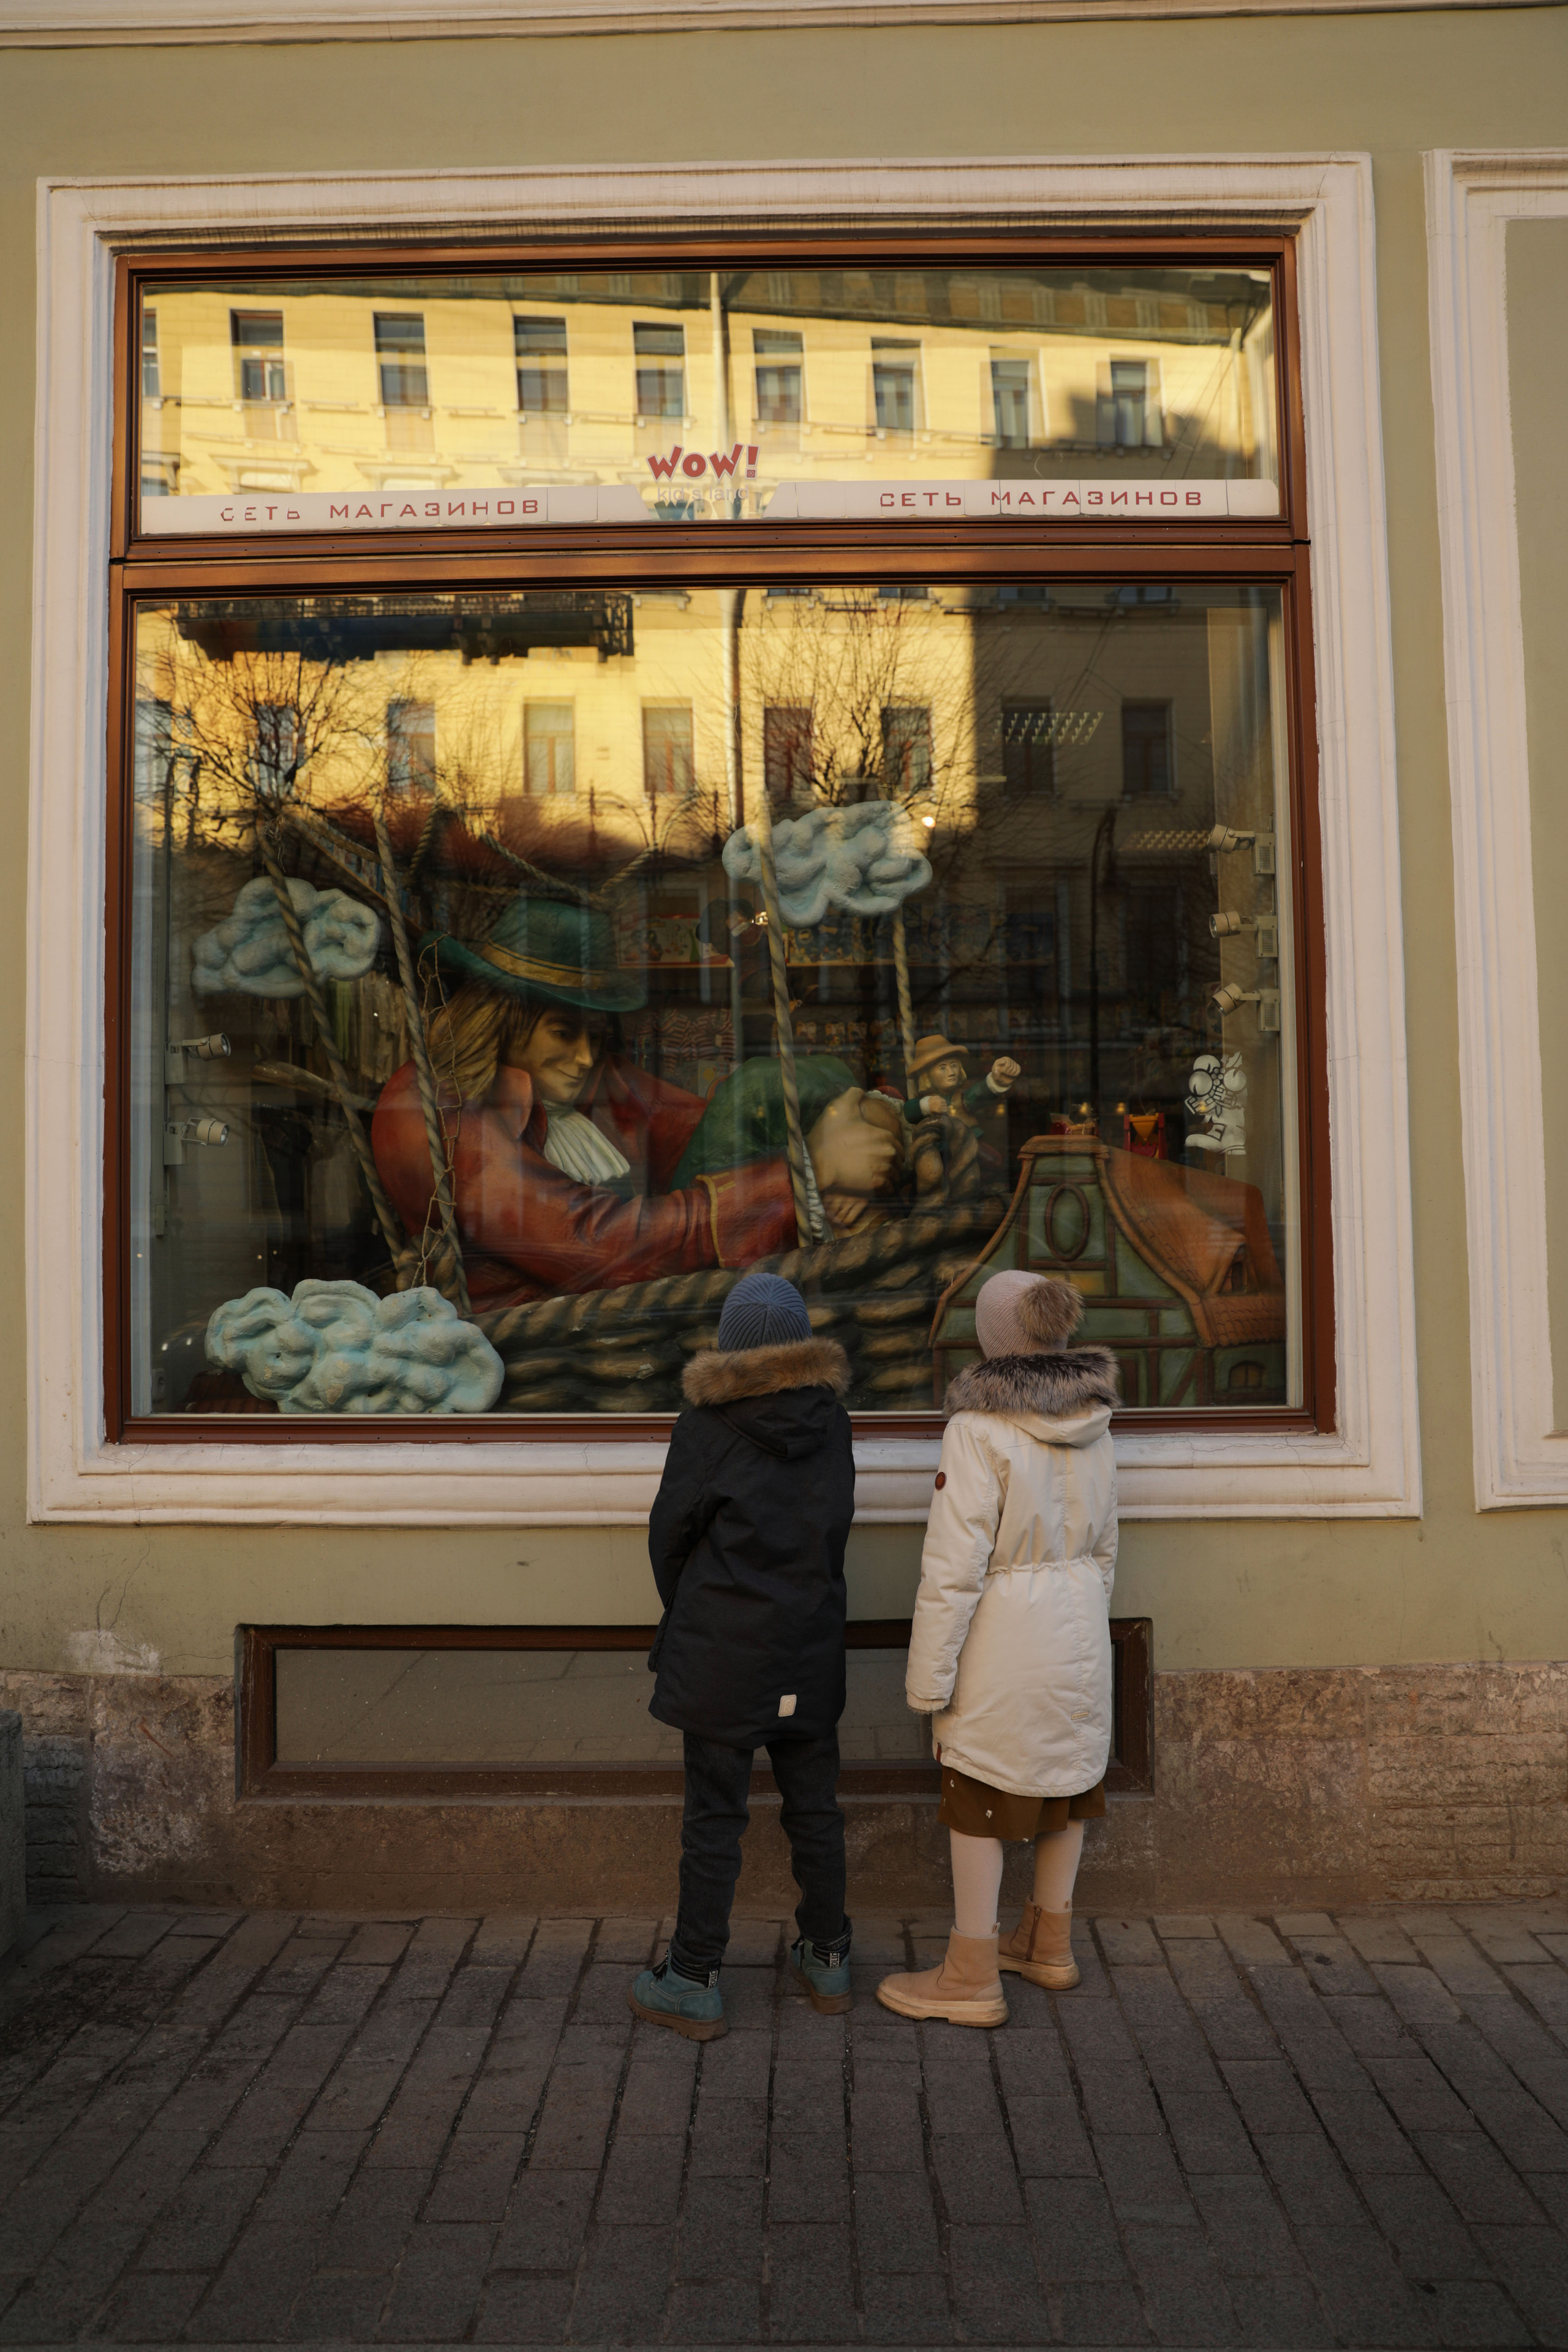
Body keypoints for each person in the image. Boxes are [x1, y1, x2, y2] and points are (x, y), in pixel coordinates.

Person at [371, 892, 898, 1309]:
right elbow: (595, 1244)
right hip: (553, 1321)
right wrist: (805, 1172)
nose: (584, 1058)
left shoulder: (591, 1081)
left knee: (762, 1087)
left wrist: (860, 1120)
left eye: (595, 1038)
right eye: (562, 1033)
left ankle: (881, 1120)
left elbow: (709, 1122)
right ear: (502, 1020)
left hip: (623, 1299)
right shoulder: (438, 1109)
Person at [876, 1271, 1118, 2027]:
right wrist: (1081, 1614)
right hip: (1079, 1627)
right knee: (1066, 1785)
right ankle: (1048, 1946)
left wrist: (927, 1682)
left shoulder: (974, 1430)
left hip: (1004, 1634)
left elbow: (953, 1570)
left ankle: (970, 1976)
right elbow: (1107, 1545)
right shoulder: (1096, 1419)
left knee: (977, 1795)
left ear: (992, 1340)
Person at [628, 1270, 856, 2040]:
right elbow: (833, 1529)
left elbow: (670, 1540)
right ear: (798, 1343)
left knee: (714, 1821)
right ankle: (828, 1957)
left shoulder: (704, 1427)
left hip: (724, 1649)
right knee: (816, 1810)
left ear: (730, 1344)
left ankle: (692, 1978)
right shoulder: (834, 1422)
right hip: (809, 1643)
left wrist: (694, 1610)